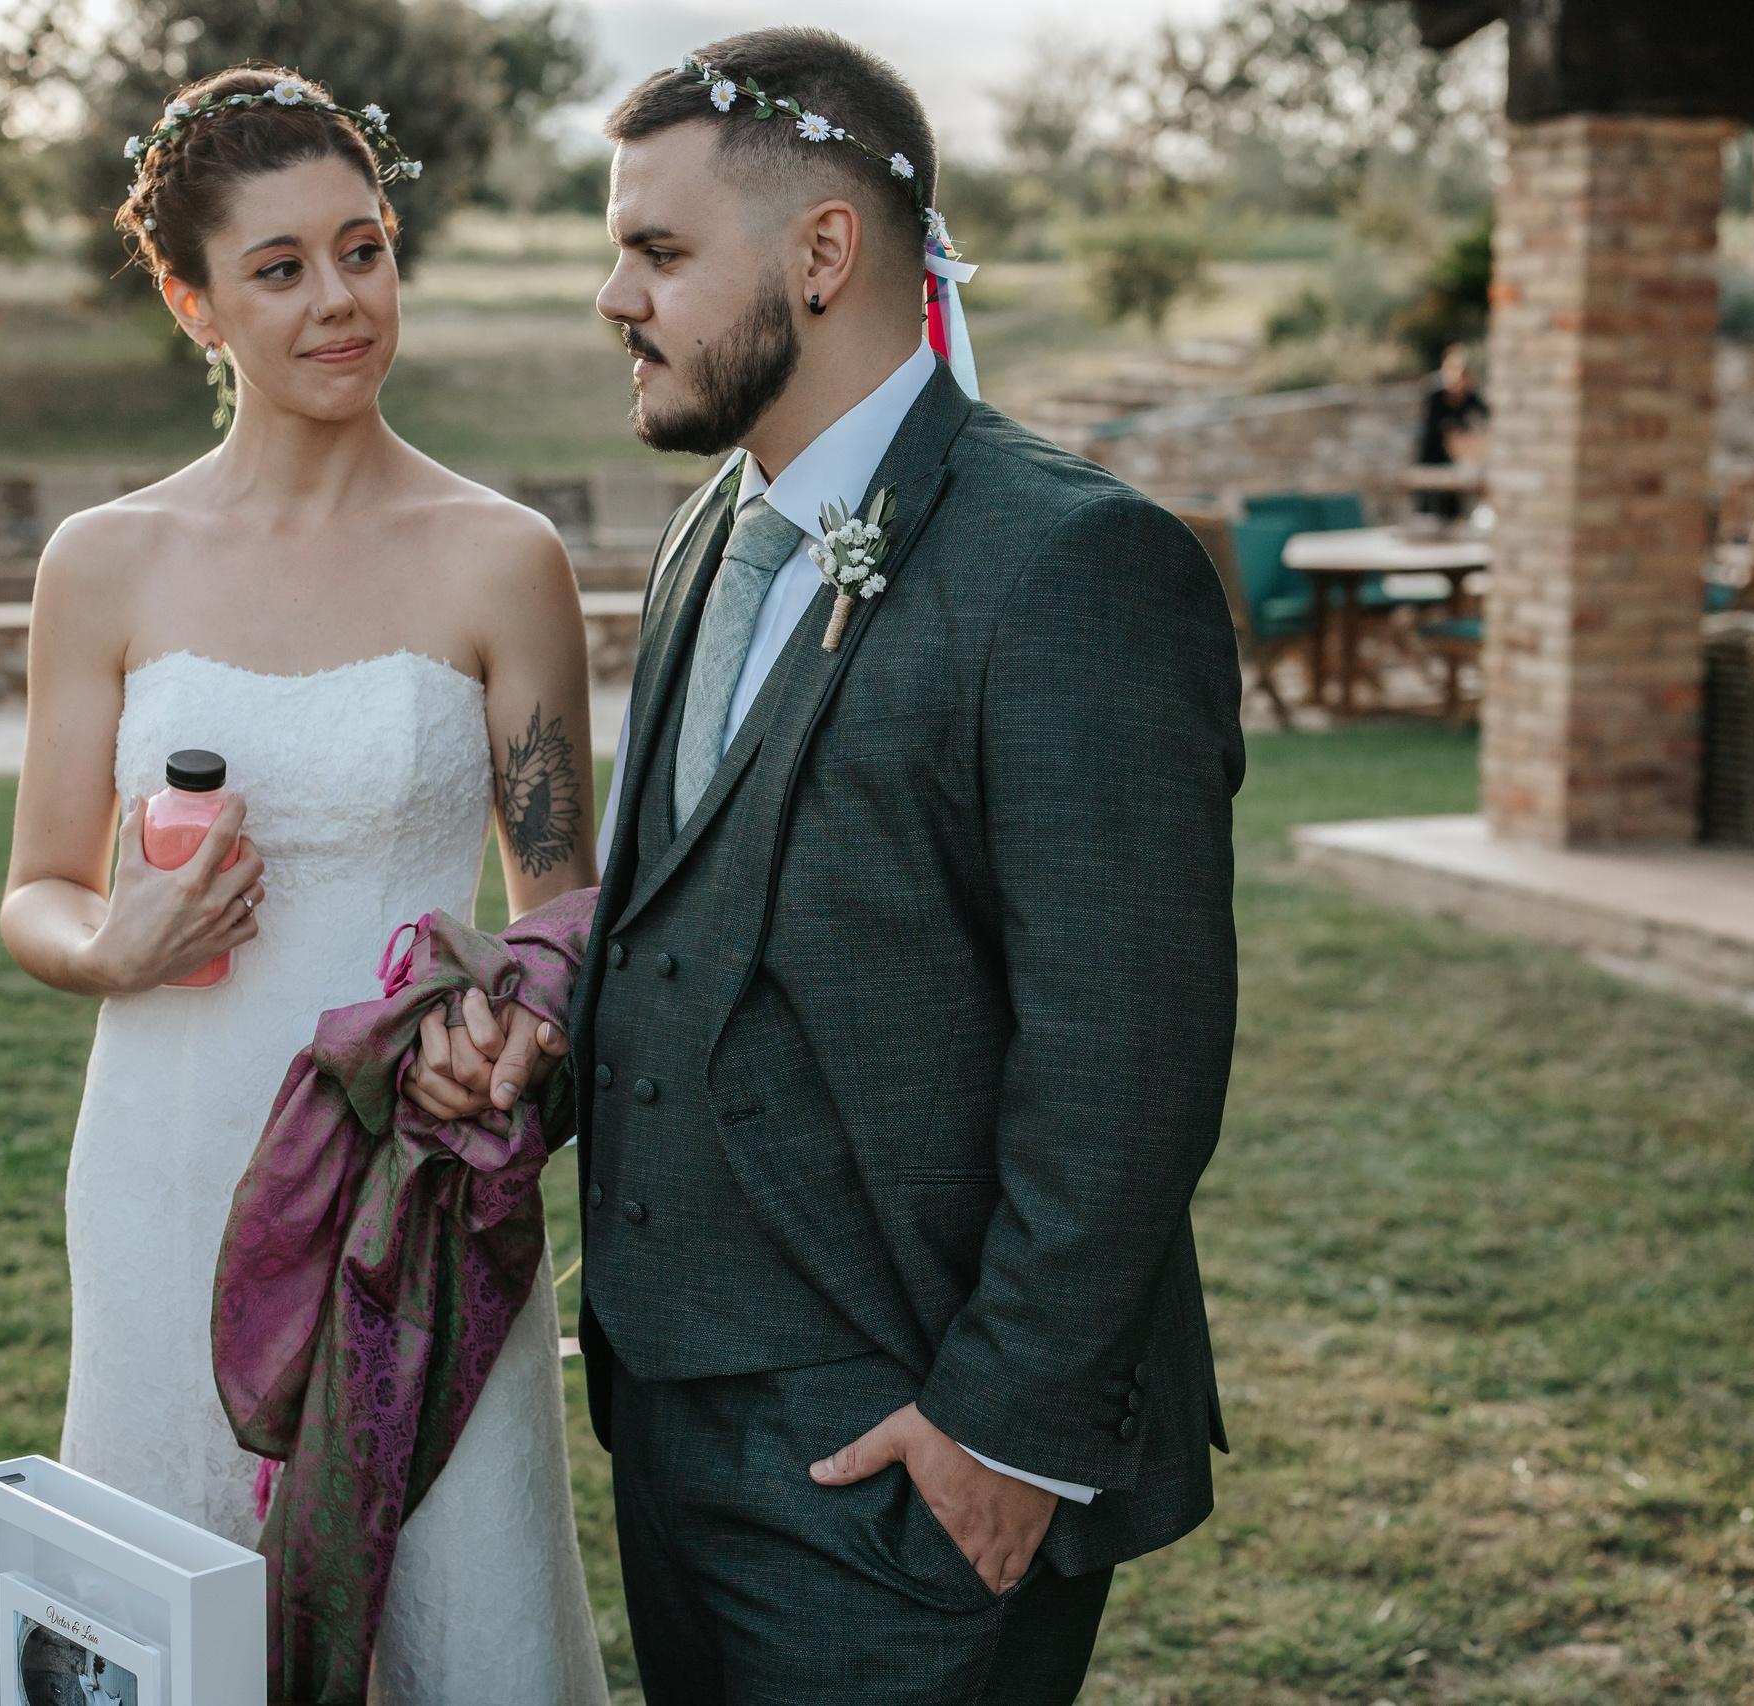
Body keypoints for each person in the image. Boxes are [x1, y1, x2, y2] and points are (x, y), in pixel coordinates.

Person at [407, 28, 1246, 1705]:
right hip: (670, 1424)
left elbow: (1131, 1053)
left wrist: (1001, 1429)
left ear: (822, 253)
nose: (611, 297)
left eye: (655, 250)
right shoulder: (717, 526)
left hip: (908, 1458)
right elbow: (693, 925)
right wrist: (541, 1047)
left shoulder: (1074, 567)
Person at [0, 64, 606, 1705]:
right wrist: (106, 941)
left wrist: (517, 1031)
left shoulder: (503, 558)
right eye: (280, 269)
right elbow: (38, 887)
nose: (341, 301)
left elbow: (563, 901)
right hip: (166, 1169)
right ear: (195, 302)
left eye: (365, 247)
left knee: (462, 1608)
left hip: (414, 1182)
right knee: (171, 1618)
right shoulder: (103, 563)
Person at [1413, 342, 1489, 518]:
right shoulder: (1435, 392)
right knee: (1429, 505)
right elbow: (1431, 427)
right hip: (1431, 453)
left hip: (1454, 458)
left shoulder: (1469, 394)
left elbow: (1486, 415)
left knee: (1452, 507)